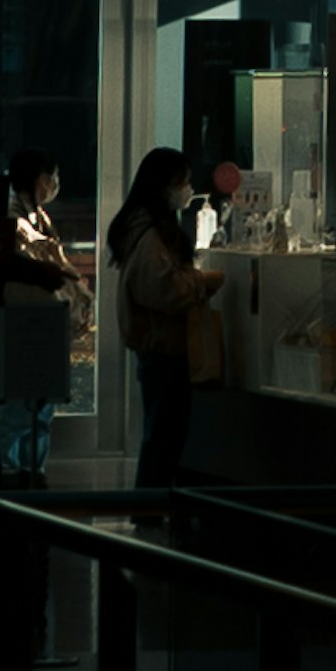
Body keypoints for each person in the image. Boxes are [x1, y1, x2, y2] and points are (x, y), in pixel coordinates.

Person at [106, 146, 203, 493]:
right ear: (165, 186)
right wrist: (202, 282)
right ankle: (149, 508)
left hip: (156, 344)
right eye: (184, 182)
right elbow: (165, 290)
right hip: (164, 344)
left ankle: (151, 506)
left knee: (161, 431)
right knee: (164, 433)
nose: (188, 190)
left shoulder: (139, 228)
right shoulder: (150, 234)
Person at [0, 159, 82, 484]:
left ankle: (30, 467)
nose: (55, 184)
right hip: (25, 317)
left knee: (40, 400)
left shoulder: (35, 216)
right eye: (53, 177)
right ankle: (7, 466)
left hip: (41, 316)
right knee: (22, 399)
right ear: (42, 179)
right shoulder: (14, 217)